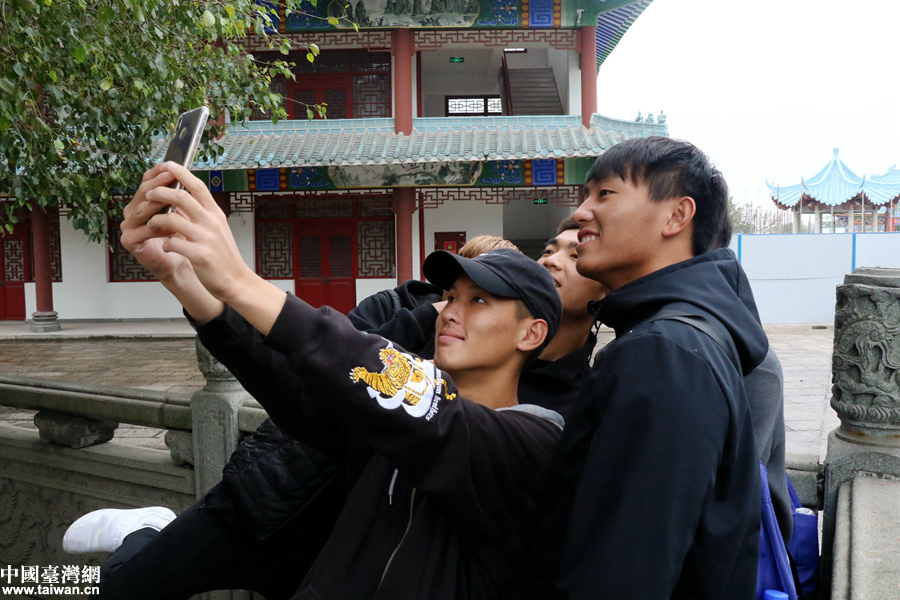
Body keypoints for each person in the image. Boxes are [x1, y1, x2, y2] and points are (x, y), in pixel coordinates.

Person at [80, 159, 567, 600]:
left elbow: (411, 396)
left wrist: (237, 279)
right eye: (452, 296)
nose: (450, 312)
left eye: (479, 300)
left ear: (532, 333)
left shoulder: (531, 441)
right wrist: (183, 279)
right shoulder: (387, 427)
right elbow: (298, 386)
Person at [530, 136, 769, 599]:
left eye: (605, 193)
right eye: (586, 195)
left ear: (677, 216)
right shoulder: (678, 336)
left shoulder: (664, 352)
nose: (581, 213)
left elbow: (624, 570)